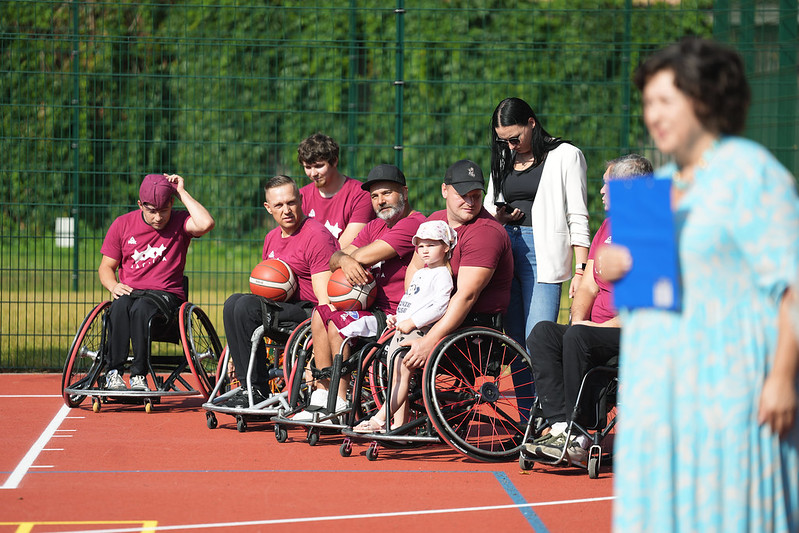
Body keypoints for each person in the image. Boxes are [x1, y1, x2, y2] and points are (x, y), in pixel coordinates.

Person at [600, 37, 799, 531]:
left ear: (705, 100)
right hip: (665, 396)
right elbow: (664, 287)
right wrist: (621, 265)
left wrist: (780, 378)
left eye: (666, 100)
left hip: (732, 390)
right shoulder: (663, 185)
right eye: (648, 103)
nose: (653, 115)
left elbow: (793, 281)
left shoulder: (750, 173)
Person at [523, 154, 653, 467]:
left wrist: (587, 331)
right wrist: (579, 322)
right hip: (593, 332)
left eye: (608, 186)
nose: (602, 193)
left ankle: (578, 434)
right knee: (543, 333)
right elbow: (588, 286)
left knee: (578, 337)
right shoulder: (609, 226)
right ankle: (559, 426)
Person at [293, 164, 426, 421]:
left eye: (387, 193)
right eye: (375, 196)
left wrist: (347, 258)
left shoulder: (415, 224)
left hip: (395, 315)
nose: (380, 201)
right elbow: (334, 258)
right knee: (322, 312)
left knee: (340, 323)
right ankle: (321, 395)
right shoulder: (374, 226)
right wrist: (345, 260)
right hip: (372, 309)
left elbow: (365, 254)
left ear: (405, 193)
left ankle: (340, 402)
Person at [222, 175, 339, 407]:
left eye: (291, 202)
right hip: (282, 308)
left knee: (247, 306)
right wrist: (235, 346)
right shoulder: (271, 238)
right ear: (268, 208)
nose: (286, 210)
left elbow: (325, 301)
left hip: (308, 313)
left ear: (301, 199)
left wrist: (319, 350)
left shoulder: (316, 236)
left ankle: (257, 389)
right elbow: (265, 291)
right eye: (279, 205)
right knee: (233, 302)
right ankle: (249, 386)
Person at [486, 97, 591, 348]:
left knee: (538, 339)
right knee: (512, 342)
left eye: (514, 138)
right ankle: (524, 390)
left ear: (531, 123)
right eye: (503, 141)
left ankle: (541, 390)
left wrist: (581, 270)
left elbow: (578, 214)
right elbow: (490, 206)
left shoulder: (566, 155)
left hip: (542, 253)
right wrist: (498, 218)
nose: (510, 146)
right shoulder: (504, 156)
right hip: (506, 250)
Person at [98, 173, 215, 391]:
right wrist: (113, 286)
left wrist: (180, 192)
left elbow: (206, 223)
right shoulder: (122, 224)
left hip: (165, 296)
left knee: (141, 309)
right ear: (140, 205)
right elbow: (106, 267)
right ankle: (113, 372)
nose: (158, 218)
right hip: (130, 292)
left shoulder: (180, 222)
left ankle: (138, 375)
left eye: (164, 210)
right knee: (120, 306)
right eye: (152, 211)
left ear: (171, 203)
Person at [402, 159, 514, 370]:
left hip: (472, 325)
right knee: (389, 349)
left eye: (476, 196)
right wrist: (414, 312)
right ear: (444, 190)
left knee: (403, 358)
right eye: (463, 195)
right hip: (435, 314)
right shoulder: (435, 221)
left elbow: (466, 296)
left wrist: (428, 342)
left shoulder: (485, 232)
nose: (470, 202)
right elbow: (415, 268)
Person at [353, 220, 457, 433]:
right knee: (394, 377)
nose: (424, 250)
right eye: (420, 246)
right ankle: (398, 424)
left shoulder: (443, 275)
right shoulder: (421, 272)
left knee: (400, 376)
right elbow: (409, 301)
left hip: (419, 333)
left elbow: (440, 307)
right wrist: (398, 318)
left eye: (431, 245)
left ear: (446, 247)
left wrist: (413, 322)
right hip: (403, 330)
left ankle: (380, 419)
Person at [297, 133, 375, 248]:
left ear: (334, 161)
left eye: (319, 166)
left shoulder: (361, 194)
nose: (313, 174)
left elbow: (345, 247)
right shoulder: (300, 196)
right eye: (307, 167)